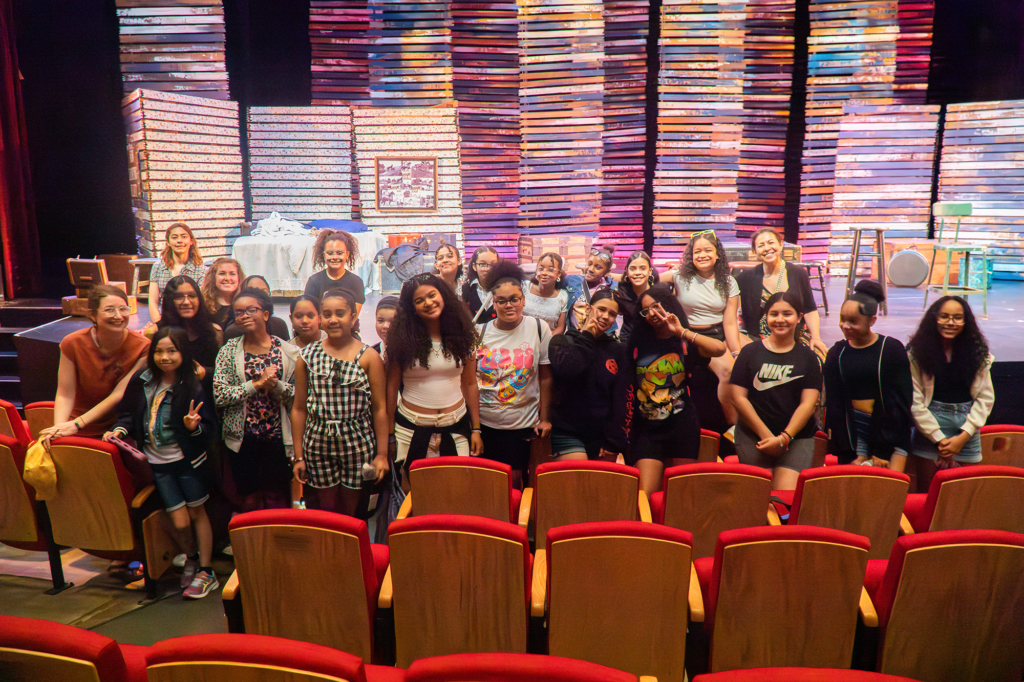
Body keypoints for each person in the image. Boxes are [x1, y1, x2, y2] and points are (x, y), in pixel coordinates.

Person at [104, 327, 219, 599]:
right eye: (159, 351)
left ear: (183, 354)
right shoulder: (142, 381)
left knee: (197, 514)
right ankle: (191, 557)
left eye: (172, 351)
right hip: (157, 465)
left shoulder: (192, 386)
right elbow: (128, 414)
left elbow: (210, 431)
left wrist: (193, 428)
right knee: (179, 522)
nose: (165, 357)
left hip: (188, 463)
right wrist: (120, 431)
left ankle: (206, 570)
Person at [290, 289, 390, 515]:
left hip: (357, 441)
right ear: (320, 319)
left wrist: (382, 454)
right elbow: (298, 409)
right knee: (326, 509)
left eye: (340, 313)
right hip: (317, 442)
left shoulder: (368, 357)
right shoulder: (307, 356)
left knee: (353, 509)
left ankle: (352, 549)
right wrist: (299, 455)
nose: (333, 319)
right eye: (327, 314)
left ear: (353, 317)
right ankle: (329, 549)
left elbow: (380, 409)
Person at [628, 283, 726, 494]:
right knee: (644, 495)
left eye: (656, 307)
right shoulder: (637, 341)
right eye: (646, 311)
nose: (652, 314)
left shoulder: (684, 339)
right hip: (647, 429)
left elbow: (719, 349)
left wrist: (682, 331)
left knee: (682, 497)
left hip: (682, 426)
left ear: (668, 304)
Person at [386, 274, 483, 482]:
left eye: (432, 295)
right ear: (412, 308)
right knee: (414, 499)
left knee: (456, 495)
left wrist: (476, 428)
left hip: (456, 428)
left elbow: (470, 383)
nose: (428, 303)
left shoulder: (464, 336)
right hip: (410, 431)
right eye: (419, 301)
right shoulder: (400, 341)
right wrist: (390, 436)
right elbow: (391, 388)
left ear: (443, 296)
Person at [214, 287, 299, 511]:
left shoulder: (289, 352)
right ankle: (251, 546)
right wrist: (256, 385)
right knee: (248, 501)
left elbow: (300, 398)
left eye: (251, 310)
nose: (244, 315)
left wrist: (277, 386)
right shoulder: (228, 351)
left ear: (265, 314)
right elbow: (220, 395)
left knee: (277, 500)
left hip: (279, 440)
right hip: (243, 440)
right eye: (239, 312)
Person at [729, 291, 823, 490]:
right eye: (774, 314)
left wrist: (784, 438)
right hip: (754, 436)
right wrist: (766, 436)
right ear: (766, 317)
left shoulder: (808, 358)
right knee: (758, 499)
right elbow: (738, 398)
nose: (780, 320)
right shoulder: (749, 352)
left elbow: (808, 403)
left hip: (796, 437)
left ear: (799, 317)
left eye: (787, 314)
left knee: (783, 502)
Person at [475, 261, 552, 487]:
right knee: (488, 485)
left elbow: (546, 377)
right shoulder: (479, 333)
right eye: (501, 301)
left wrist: (545, 418)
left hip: (522, 425)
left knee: (516, 484)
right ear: (492, 302)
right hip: (485, 426)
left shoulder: (538, 328)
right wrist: (474, 427)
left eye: (514, 299)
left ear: (523, 299)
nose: (509, 305)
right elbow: (468, 382)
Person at [41, 285, 150, 443]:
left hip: (117, 430)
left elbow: (118, 394)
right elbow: (65, 393)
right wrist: (60, 429)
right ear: (93, 314)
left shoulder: (143, 346)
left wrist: (78, 424)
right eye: (109, 310)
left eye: (123, 309)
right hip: (75, 426)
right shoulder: (73, 343)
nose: (118, 316)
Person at [907, 296, 994, 492]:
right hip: (929, 426)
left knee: (963, 498)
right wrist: (939, 439)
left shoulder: (979, 354)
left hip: (966, 427)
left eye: (957, 317)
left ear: (966, 321)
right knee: (927, 494)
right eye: (944, 316)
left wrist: (963, 437)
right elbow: (915, 401)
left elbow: (985, 399)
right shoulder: (917, 354)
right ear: (934, 318)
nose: (951, 323)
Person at [824, 280, 913, 471]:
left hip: (888, 428)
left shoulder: (890, 349)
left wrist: (882, 449)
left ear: (872, 321)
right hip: (853, 431)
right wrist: (849, 449)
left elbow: (900, 402)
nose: (845, 326)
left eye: (853, 321)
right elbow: (835, 406)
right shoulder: (836, 353)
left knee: (887, 490)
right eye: (842, 319)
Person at [664, 230, 742, 423]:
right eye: (697, 251)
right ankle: (732, 425)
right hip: (689, 335)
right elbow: (648, 279)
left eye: (708, 250)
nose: (702, 255)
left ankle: (738, 426)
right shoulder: (679, 276)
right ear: (691, 256)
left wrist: (736, 352)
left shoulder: (729, 282)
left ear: (717, 254)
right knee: (725, 373)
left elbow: (730, 322)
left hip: (717, 334)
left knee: (738, 368)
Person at [548, 289, 630, 461]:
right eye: (601, 309)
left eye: (612, 314)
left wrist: (613, 441)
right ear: (587, 309)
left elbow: (620, 398)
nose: (606, 316)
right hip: (567, 430)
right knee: (579, 477)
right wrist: (587, 336)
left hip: (601, 435)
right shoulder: (562, 341)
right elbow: (570, 370)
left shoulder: (617, 350)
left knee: (598, 487)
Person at [735, 228, 828, 355]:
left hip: (794, 338)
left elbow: (809, 309)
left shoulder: (798, 273)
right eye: (761, 245)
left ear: (781, 244)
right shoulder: (746, 277)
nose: (767, 248)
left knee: (820, 357)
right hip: (758, 341)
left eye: (771, 242)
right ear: (754, 251)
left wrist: (816, 337)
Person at [157, 275, 224, 394]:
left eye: (192, 296)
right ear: (169, 300)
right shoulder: (155, 333)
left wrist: (204, 373)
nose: (186, 302)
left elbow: (224, 373)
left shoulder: (214, 332)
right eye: (179, 297)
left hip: (205, 397)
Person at [148, 223, 207, 326]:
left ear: (191, 241)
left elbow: (200, 304)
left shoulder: (201, 270)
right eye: (174, 237)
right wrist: (159, 325)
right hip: (164, 322)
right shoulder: (158, 267)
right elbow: (153, 301)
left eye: (184, 237)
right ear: (168, 243)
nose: (179, 240)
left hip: (191, 323)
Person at [303, 229, 365, 315]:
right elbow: (310, 313)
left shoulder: (356, 282)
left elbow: (353, 317)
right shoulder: (314, 281)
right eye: (330, 253)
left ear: (347, 255)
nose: (335, 257)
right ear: (324, 255)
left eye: (339, 253)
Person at [565, 244, 618, 330]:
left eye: (598, 267)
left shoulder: (612, 287)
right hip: (576, 336)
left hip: (602, 338)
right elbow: (555, 277)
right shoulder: (572, 281)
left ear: (607, 272)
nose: (590, 269)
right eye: (589, 264)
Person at [225, 275, 289, 340]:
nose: (260, 297)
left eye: (264, 292)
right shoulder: (233, 331)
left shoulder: (279, 325)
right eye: (253, 293)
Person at [615, 250, 657, 344]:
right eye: (633, 269)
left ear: (650, 271)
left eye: (642, 268)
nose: (637, 273)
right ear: (626, 271)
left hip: (654, 343)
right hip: (626, 342)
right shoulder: (620, 294)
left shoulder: (658, 295)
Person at [523, 252, 569, 334]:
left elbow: (560, 327)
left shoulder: (563, 297)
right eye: (541, 269)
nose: (544, 273)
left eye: (551, 270)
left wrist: (546, 342)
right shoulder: (524, 288)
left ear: (559, 274)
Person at [202, 257, 245, 329]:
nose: (227, 278)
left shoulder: (245, 305)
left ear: (239, 277)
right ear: (213, 277)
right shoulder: (203, 305)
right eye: (222, 274)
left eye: (232, 274)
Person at [462, 246, 499, 322]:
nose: (488, 268)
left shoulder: (505, 288)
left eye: (493, 265)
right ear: (474, 266)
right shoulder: (466, 289)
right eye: (482, 264)